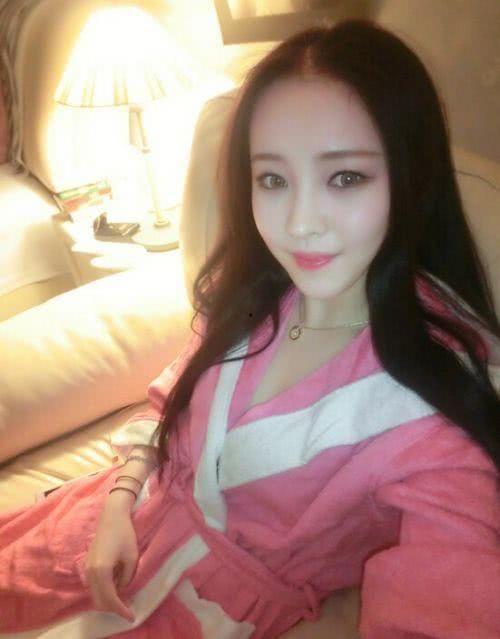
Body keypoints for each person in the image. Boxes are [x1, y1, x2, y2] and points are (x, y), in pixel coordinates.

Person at [1, 17, 499, 639]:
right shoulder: (259, 292)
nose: (300, 222)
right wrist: (119, 502)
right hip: (92, 527)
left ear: (411, 177)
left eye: (345, 177)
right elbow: (171, 398)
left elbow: (449, 586)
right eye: (273, 180)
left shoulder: (434, 405)